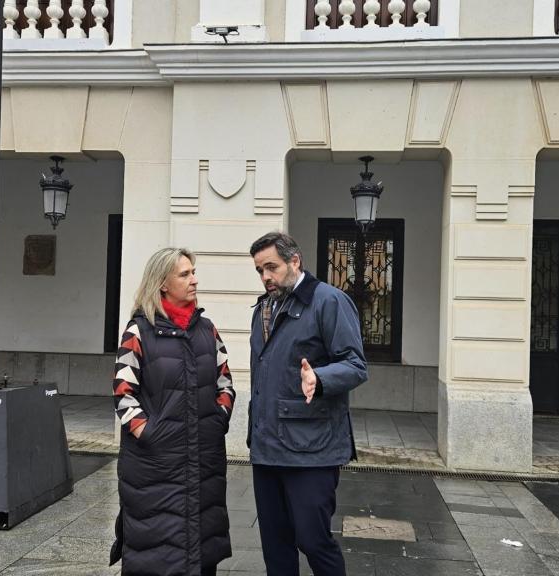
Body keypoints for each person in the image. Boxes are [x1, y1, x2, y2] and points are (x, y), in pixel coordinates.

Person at [247, 231, 368, 576]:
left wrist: (321, 377)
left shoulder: (329, 301)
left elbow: (355, 365)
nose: (265, 276)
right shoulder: (263, 308)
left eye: (271, 267)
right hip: (266, 448)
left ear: (295, 261)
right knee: (275, 547)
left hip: (312, 450)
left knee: (313, 541)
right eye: (259, 270)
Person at [109, 247, 235, 576]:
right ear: (162, 283)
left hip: (204, 462)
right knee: (157, 557)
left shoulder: (208, 330)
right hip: (154, 468)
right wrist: (149, 434)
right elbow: (123, 392)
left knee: (201, 555)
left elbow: (225, 383)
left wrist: (217, 421)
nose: (194, 280)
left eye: (193, 272)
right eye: (185, 274)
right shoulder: (139, 332)